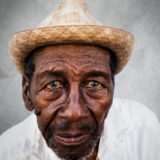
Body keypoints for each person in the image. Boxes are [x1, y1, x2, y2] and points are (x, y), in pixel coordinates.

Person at [0, 0, 160, 160]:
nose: (74, 113)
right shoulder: (8, 153)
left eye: (94, 84)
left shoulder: (142, 129)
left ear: (113, 88)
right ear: (27, 93)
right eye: (53, 84)